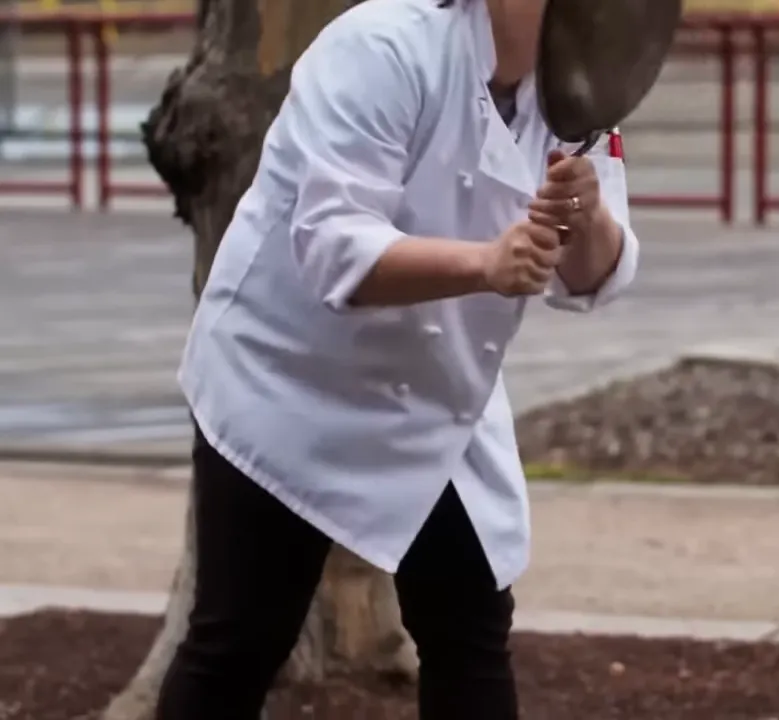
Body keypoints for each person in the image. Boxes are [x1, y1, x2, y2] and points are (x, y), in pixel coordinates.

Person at [154, 0, 639, 717]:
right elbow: (333, 244)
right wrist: (486, 263)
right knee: (241, 640)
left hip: (437, 396)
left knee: (469, 626)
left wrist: (587, 212)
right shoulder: (380, 48)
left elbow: (595, 274)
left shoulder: (579, 90)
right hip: (287, 380)